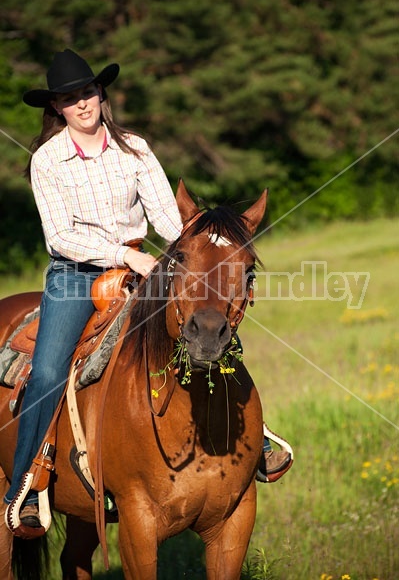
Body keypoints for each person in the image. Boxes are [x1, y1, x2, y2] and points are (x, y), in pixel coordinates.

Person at [5, 49, 291, 531]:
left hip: (146, 264)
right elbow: (59, 236)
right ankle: (28, 484)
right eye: (70, 98)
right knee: (51, 367)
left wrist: (191, 242)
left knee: (207, 327)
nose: (82, 104)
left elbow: (164, 216)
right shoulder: (48, 160)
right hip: (76, 275)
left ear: (101, 94)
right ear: (56, 108)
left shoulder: (134, 149)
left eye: (88, 92)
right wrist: (125, 255)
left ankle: (253, 438)